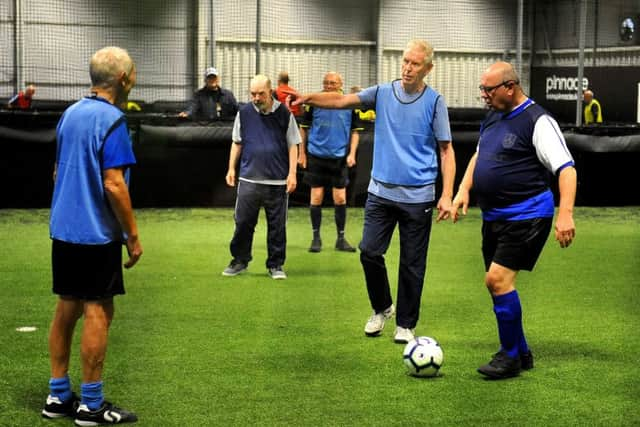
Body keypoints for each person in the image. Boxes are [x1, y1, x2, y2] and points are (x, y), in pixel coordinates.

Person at [293, 39, 456, 344]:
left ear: (428, 68)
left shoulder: (435, 102)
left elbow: (446, 150)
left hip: (418, 197)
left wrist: (446, 194)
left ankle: (406, 325)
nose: (408, 68)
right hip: (380, 194)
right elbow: (342, 101)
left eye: (415, 63)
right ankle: (382, 308)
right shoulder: (381, 92)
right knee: (369, 252)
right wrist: (309, 98)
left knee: (412, 264)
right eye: (405, 61)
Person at [450, 61, 577, 379]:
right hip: (494, 217)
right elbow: (480, 155)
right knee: (498, 286)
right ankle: (520, 351)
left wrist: (565, 214)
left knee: (497, 280)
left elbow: (566, 168)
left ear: (510, 86)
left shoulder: (538, 120)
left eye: (488, 89)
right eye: (482, 89)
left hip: (528, 215)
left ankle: (508, 358)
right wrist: (464, 189)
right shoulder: (492, 116)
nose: (483, 95)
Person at [42, 46, 142, 424]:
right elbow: (114, 184)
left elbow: (57, 173)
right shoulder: (113, 120)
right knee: (98, 310)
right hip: (96, 235)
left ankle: (57, 396)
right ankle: (92, 404)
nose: (135, 77)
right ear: (122, 79)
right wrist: (132, 235)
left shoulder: (70, 115)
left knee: (67, 306)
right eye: (133, 72)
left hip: (63, 231)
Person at [222, 75, 301, 280]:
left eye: (261, 94)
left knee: (277, 226)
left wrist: (292, 174)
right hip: (249, 180)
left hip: (277, 182)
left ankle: (275, 265)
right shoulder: (244, 112)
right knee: (243, 223)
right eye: (253, 94)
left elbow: (293, 144)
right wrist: (231, 168)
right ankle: (239, 261)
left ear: (270, 91)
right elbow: (237, 142)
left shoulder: (284, 113)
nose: (256, 98)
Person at [298, 72, 361, 253]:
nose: (329, 86)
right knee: (316, 197)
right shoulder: (313, 103)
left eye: (333, 83)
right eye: (326, 83)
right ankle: (316, 238)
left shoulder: (350, 104)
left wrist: (352, 154)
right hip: (317, 156)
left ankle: (340, 239)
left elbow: (355, 131)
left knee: (340, 198)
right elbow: (303, 129)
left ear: (340, 84)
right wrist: (302, 153)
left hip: (339, 158)